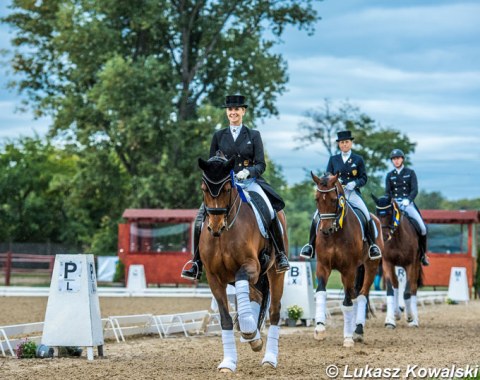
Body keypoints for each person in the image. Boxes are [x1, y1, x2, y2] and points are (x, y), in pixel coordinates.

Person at [181, 94, 290, 280]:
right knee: (200, 218)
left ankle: (280, 255)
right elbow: (212, 163)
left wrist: (248, 172)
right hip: (225, 185)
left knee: (270, 211)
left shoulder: (253, 135)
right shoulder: (218, 136)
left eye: (237, 109)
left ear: (243, 111)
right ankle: (197, 262)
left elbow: (261, 164)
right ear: (227, 112)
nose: (233, 112)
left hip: (249, 182)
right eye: (230, 110)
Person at [300, 130, 382, 260]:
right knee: (316, 216)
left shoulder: (358, 159)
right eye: (342, 142)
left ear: (351, 143)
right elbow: (327, 175)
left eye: (347, 142)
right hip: (336, 193)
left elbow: (364, 178)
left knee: (366, 214)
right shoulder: (333, 159)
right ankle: (310, 245)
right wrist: (336, 181)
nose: (344, 144)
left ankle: (372, 245)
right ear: (339, 144)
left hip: (352, 192)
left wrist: (354, 183)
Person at [385, 149, 429, 266]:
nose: (396, 161)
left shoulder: (410, 173)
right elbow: (387, 192)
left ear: (402, 159)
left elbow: (414, 190)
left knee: (423, 228)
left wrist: (408, 200)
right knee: (383, 224)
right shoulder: (389, 175)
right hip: (394, 204)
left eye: (398, 158)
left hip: (407, 204)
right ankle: (379, 252)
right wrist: (391, 201)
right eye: (394, 159)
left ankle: (423, 255)